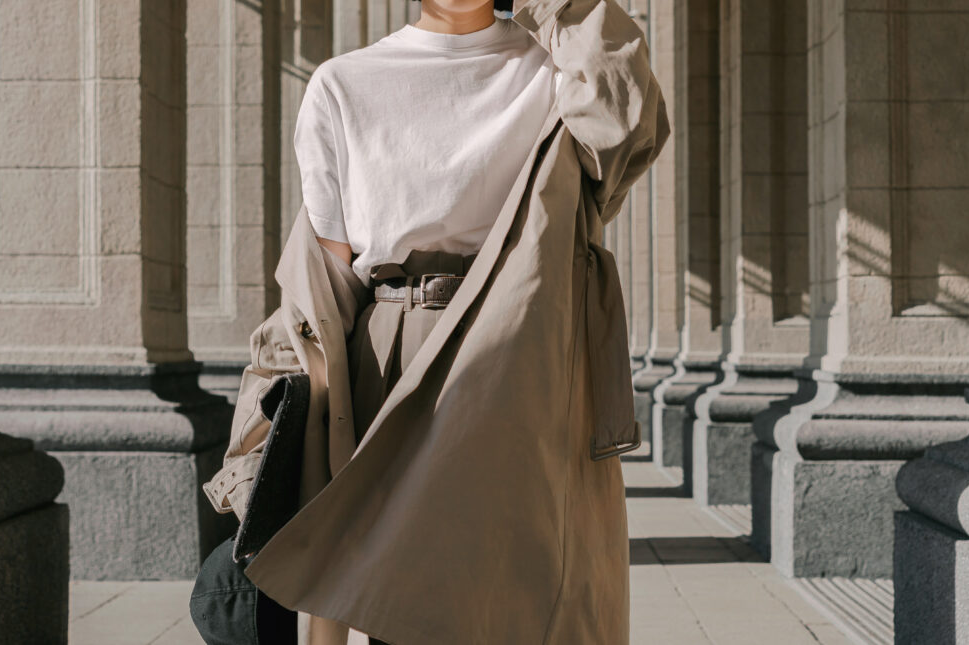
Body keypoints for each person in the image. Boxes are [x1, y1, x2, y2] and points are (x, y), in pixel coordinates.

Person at [194, 0, 668, 642]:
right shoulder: (344, 83)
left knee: (523, 606)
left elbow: (628, 121)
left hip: (524, 366)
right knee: (406, 613)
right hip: (393, 360)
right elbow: (321, 294)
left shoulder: (556, 74)